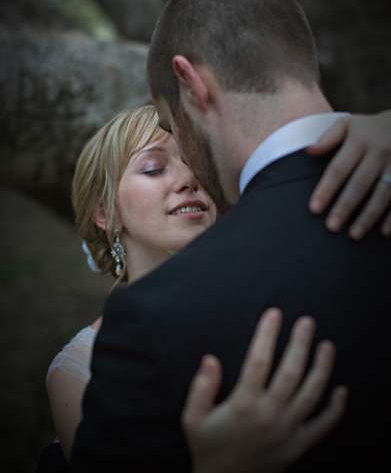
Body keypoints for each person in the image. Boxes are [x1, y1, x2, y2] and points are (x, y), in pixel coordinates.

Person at [67, 0, 391, 473]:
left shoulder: (157, 321)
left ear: (192, 86)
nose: (189, 173)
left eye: (176, 130)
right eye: (154, 166)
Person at [42, 99, 387, 472]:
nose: (188, 178)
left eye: (194, 161)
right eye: (155, 168)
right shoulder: (78, 370)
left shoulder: (269, 288)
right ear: (105, 213)